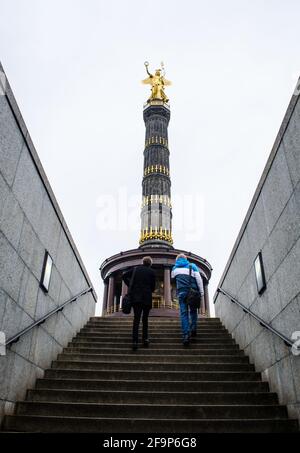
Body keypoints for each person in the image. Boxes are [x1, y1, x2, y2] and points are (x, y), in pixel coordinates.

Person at [122, 256, 156, 351]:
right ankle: (145, 339)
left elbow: (124, 276)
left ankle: (135, 341)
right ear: (150, 264)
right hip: (147, 298)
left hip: (136, 298)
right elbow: (153, 287)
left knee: (136, 319)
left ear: (142, 262)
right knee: (145, 320)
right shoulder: (152, 272)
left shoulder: (135, 269)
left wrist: (131, 285)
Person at [171, 253, 204, 346]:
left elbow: (172, 278)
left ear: (177, 260)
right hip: (193, 293)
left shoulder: (174, 268)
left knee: (184, 314)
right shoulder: (192, 266)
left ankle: (186, 335)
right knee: (193, 311)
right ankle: (193, 328)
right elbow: (199, 280)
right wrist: (201, 292)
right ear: (186, 259)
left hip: (182, 293)